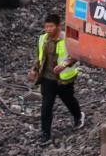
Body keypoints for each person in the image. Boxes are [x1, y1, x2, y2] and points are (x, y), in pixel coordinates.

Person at [27, 12, 83, 143]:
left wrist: (64, 65)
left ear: (58, 26)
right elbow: (40, 57)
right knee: (46, 106)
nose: (48, 30)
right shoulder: (43, 39)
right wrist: (35, 70)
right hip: (47, 78)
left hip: (63, 79)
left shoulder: (67, 39)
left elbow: (76, 55)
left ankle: (78, 116)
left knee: (68, 99)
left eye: (51, 26)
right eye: (46, 27)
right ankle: (45, 134)